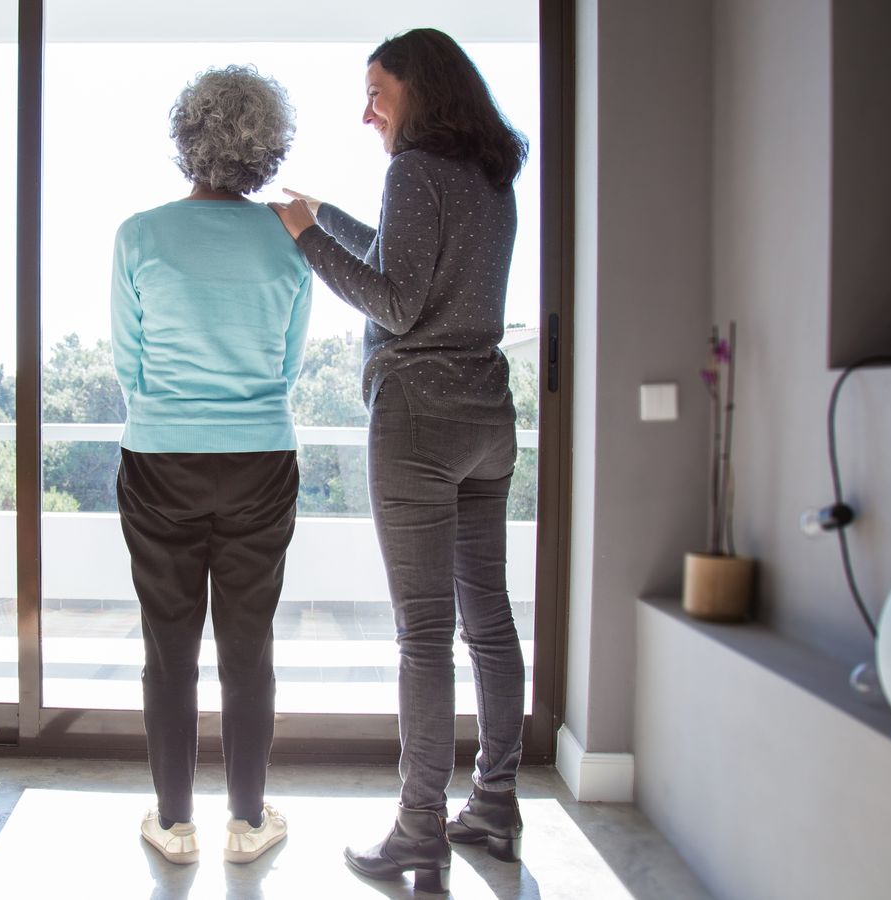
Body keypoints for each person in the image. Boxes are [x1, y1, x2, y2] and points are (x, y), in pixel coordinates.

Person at [269, 28, 530, 890]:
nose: (367, 109)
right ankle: (495, 804)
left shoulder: (414, 173)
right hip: (490, 413)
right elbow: (401, 256)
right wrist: (321, 213)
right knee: (487, 620)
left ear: (420, 88)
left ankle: (419, 830)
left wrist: (306, 240)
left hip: (419, 417)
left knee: (424, 634)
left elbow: (393, 298)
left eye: (378, 90)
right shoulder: (492, 178)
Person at [114, 64, 312, 867]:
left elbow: (131, 368)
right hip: (262, 458)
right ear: (267, 148)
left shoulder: (139, 235)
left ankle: (173, 823)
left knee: (169, 647)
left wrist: (174, 413)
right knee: (248, 645)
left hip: (160, 457)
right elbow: (288, 366)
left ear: (187, 137)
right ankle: (246, 821)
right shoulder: (290, 242)